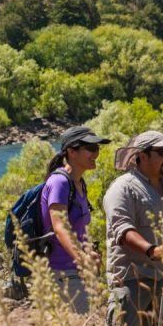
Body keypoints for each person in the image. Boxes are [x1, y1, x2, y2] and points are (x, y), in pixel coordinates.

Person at [103, 130, 163, 326]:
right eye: (162, 152)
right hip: (132, 280)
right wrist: (152, 250)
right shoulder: (122, 188)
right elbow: (122, 230)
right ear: (142, 156)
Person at [40, 125, 110, 314]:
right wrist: (83, 259)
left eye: (97, 148)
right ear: (71, 151)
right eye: (91, 148)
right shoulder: (60, 182)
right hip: (62, 273)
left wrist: (89, 252)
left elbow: (78, 230)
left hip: (77, 273)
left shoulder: (78, 183)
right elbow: (60, 227)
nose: (96, 153)